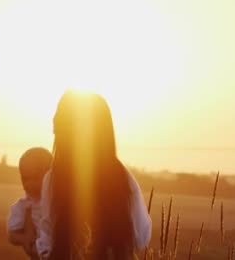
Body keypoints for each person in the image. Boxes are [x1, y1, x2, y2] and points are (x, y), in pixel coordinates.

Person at [36, 91, 152, 260]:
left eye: (59, 121)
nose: (53, 125)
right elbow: (141, 236)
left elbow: (47, 235)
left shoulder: (54, 179)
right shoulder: (122, 177)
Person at [7, 147, 53, 259]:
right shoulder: (24, 205)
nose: (29, 184)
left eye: (35, 178)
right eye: (25, 179)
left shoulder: (55, 200)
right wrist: (24, 239)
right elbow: (11, 235)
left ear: (49, 177)